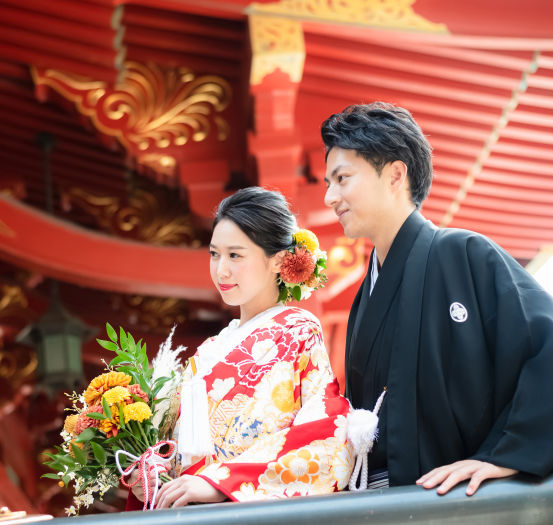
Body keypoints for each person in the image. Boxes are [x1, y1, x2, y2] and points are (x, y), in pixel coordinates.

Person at [322, 102, 553, 496]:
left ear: (395, 175)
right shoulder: (367, 293)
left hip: (459, 502)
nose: (330, 196)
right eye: (328, 182)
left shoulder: (464, 253)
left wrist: (503, 454)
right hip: (381, 506)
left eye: (342, 178)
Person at [128, 187, 354, 509]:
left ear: (278, 261)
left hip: (244, 507)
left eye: (235, 255)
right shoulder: (208, 351)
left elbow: (325, 431)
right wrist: (155, 474)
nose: (221, 269)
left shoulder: (298, 330)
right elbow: (180, 449)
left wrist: (220, 480)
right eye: (214, 254)